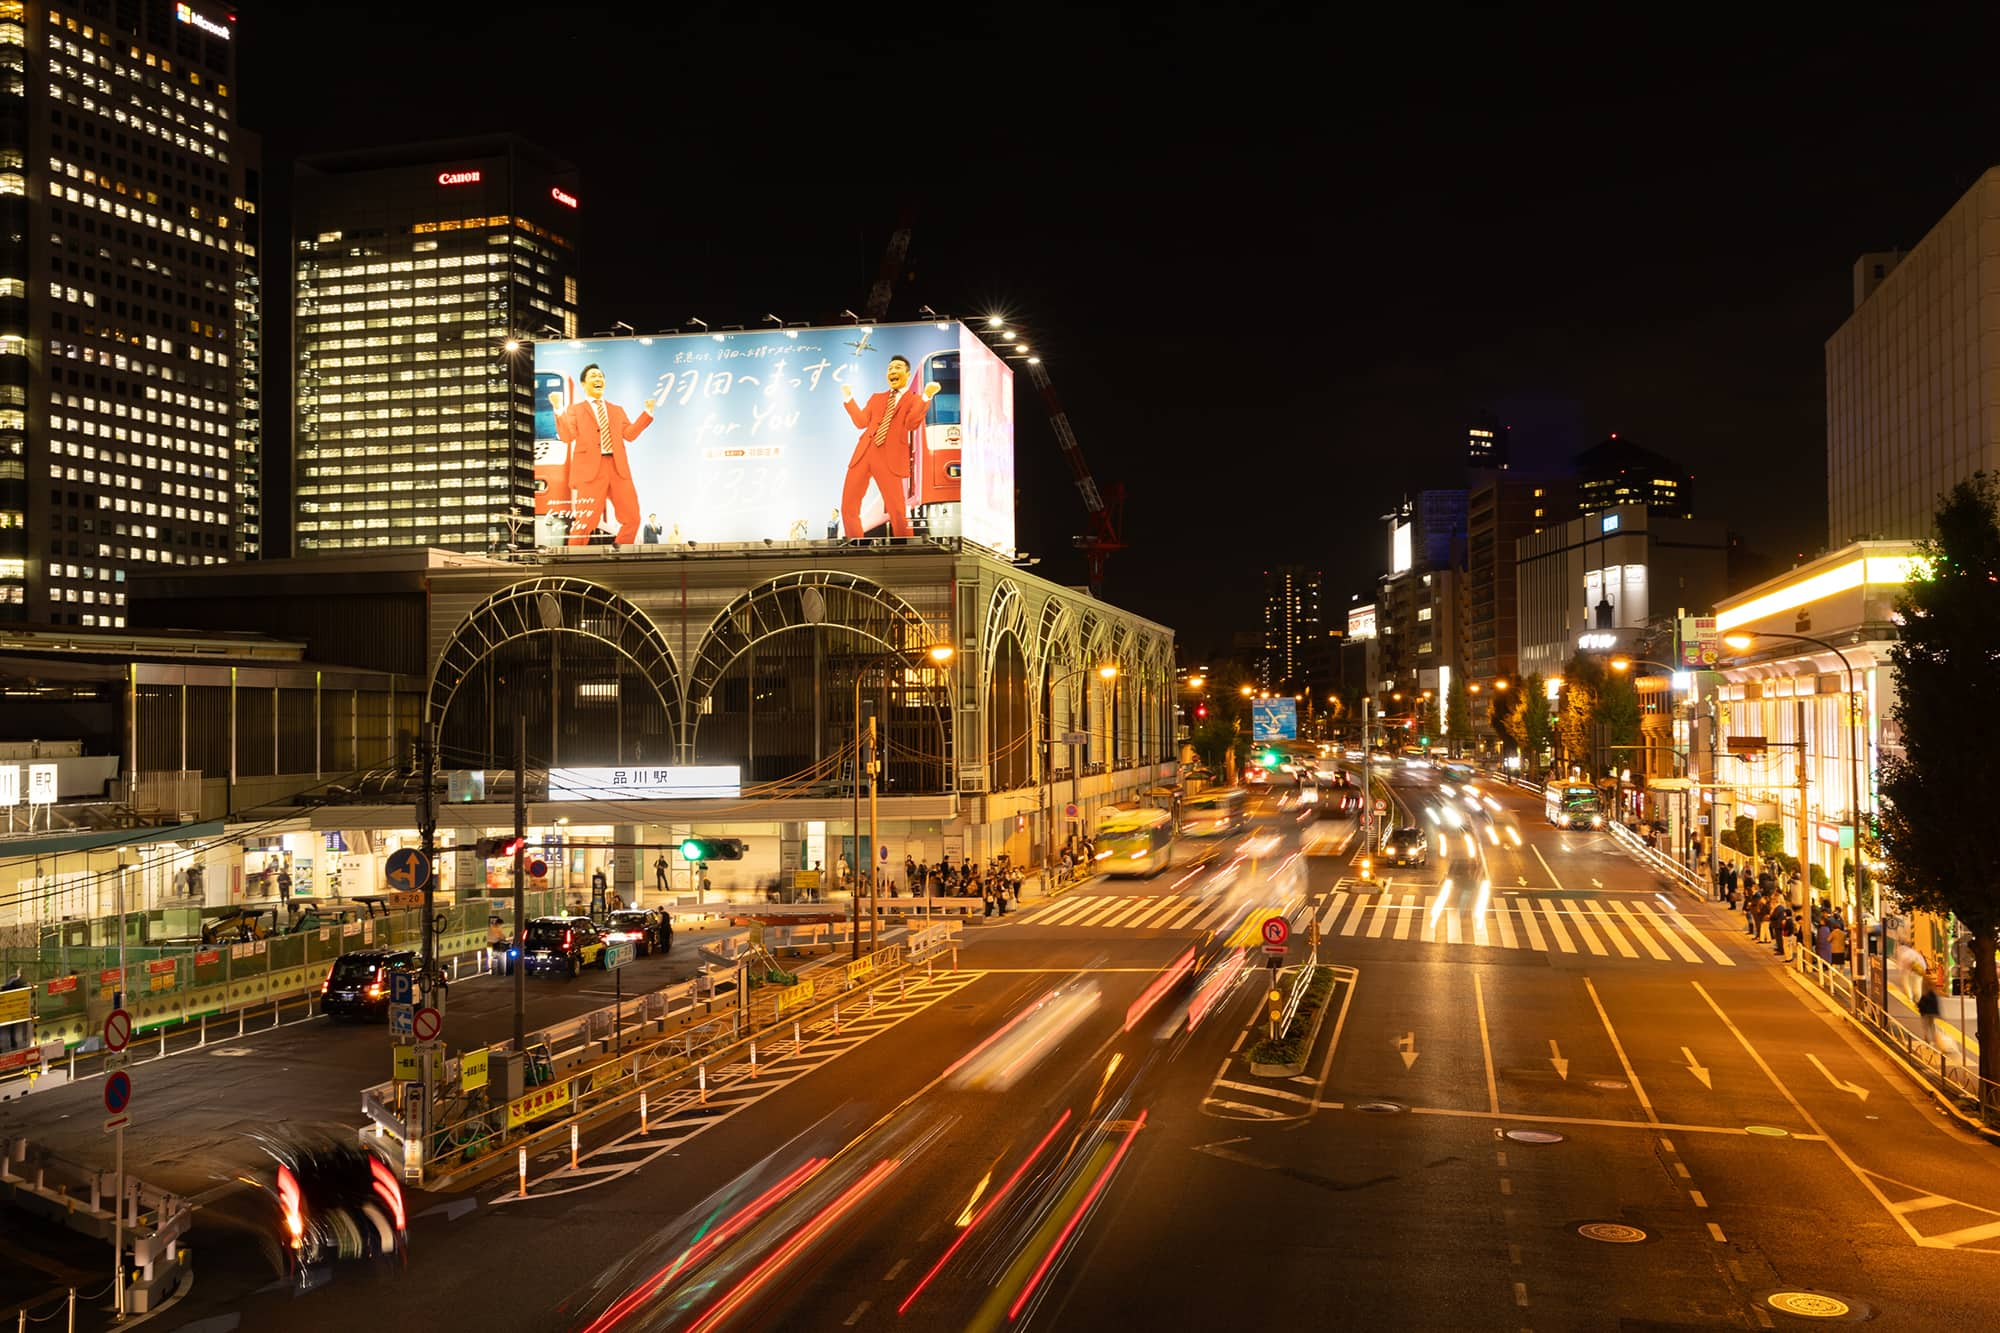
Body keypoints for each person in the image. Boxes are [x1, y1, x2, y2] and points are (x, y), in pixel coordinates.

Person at [552, 363, 657, 546]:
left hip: (618, 469)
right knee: (585, 521)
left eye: (601, 376)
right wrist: (558, 409)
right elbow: (567, 436)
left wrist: (647, 413)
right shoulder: (575, 410)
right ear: (584, 384)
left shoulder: (617, 410)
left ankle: (620, 553)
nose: (598, 379)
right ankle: (574, 558)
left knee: (633, 518)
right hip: (591, 471)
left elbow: (630, 434)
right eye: (593, 376)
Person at [839, 357, 938, 538]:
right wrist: (848, 397)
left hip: (889, 457)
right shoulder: (876, 398)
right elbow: (861, 422)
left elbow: (911, 423)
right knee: (848, 506)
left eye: (898, 367)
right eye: (890, 367)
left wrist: (926, 396)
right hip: (863, 453)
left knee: (896, 509)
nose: (893, 370)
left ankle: (904, 544)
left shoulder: (913, 399)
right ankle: (855, 543)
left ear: (907, 374)